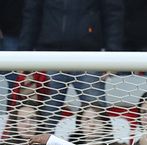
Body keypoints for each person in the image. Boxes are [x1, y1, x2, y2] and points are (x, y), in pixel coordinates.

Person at [19, 0, 123, 131]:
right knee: (44, 119)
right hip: (49, 56)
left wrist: (113, 55)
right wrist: (24, 54)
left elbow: (112, 13)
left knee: (97, 118)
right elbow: (31, 14)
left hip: (89, 57)